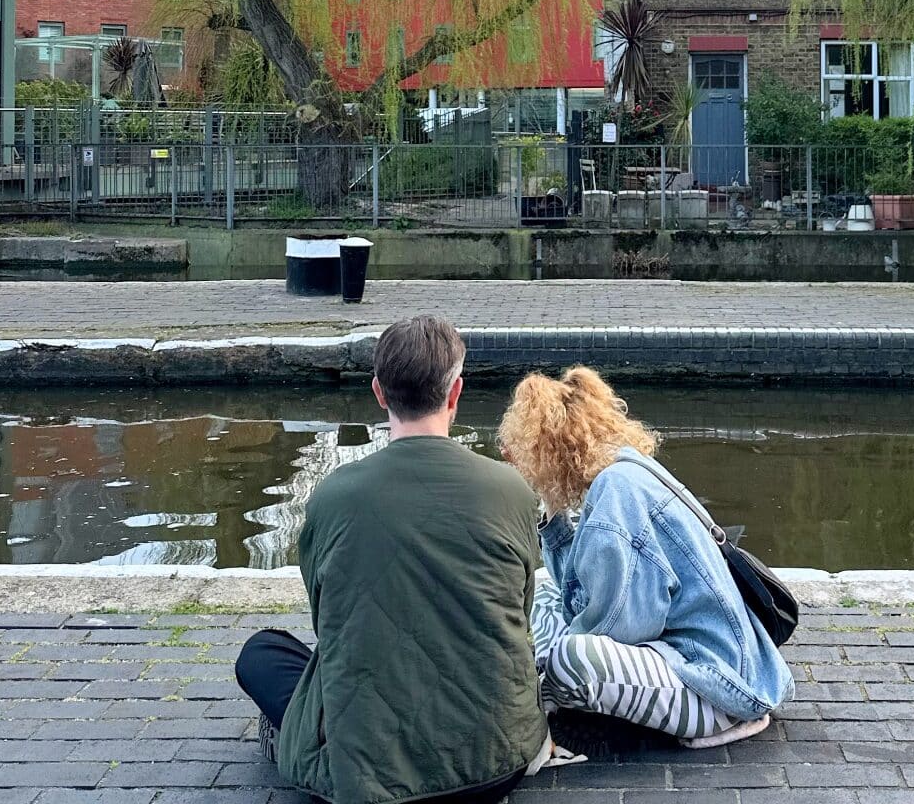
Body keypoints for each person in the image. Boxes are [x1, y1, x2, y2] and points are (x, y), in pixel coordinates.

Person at [234, 316, 552, 804]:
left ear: (379, 393)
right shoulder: (511, 489)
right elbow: (520, 609)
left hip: (367, 774)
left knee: (261, 653)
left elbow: (327, 619)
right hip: (496, 760)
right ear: (455, 392)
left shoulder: (333, 496)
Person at [498, 366, 793, 748]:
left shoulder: (615, 496)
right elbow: (576, 586)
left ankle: (541, 698)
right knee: (545, 597)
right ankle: (547, 680)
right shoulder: (627, 470)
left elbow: (622, 628)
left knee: (570, 658)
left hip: (717, 687)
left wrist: (552, 652)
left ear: (547, 452)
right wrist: (553, 508)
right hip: (701, 657)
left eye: (527, 456)